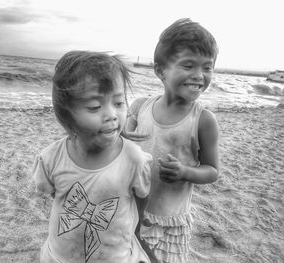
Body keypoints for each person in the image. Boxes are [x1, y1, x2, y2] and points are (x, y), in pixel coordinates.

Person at [32, 50, 152, 263]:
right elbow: (59, 197)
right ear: (67, 116)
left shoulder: (133, 158)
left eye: (119, 102)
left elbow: (142, 196)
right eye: (95, 107)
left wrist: (138, 223)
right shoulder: (51, 158)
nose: (112, 115)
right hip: (61, 256)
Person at [126, 18, 220, 263]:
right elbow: (120, 144)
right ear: (160, 70)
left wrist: (185, 172)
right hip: (130, 210)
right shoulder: (140, 107)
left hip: (168, 220)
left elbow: (212, 171)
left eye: (207, 67)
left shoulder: (203, 120)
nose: (199, 76)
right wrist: (124, 131)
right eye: (188, 65)